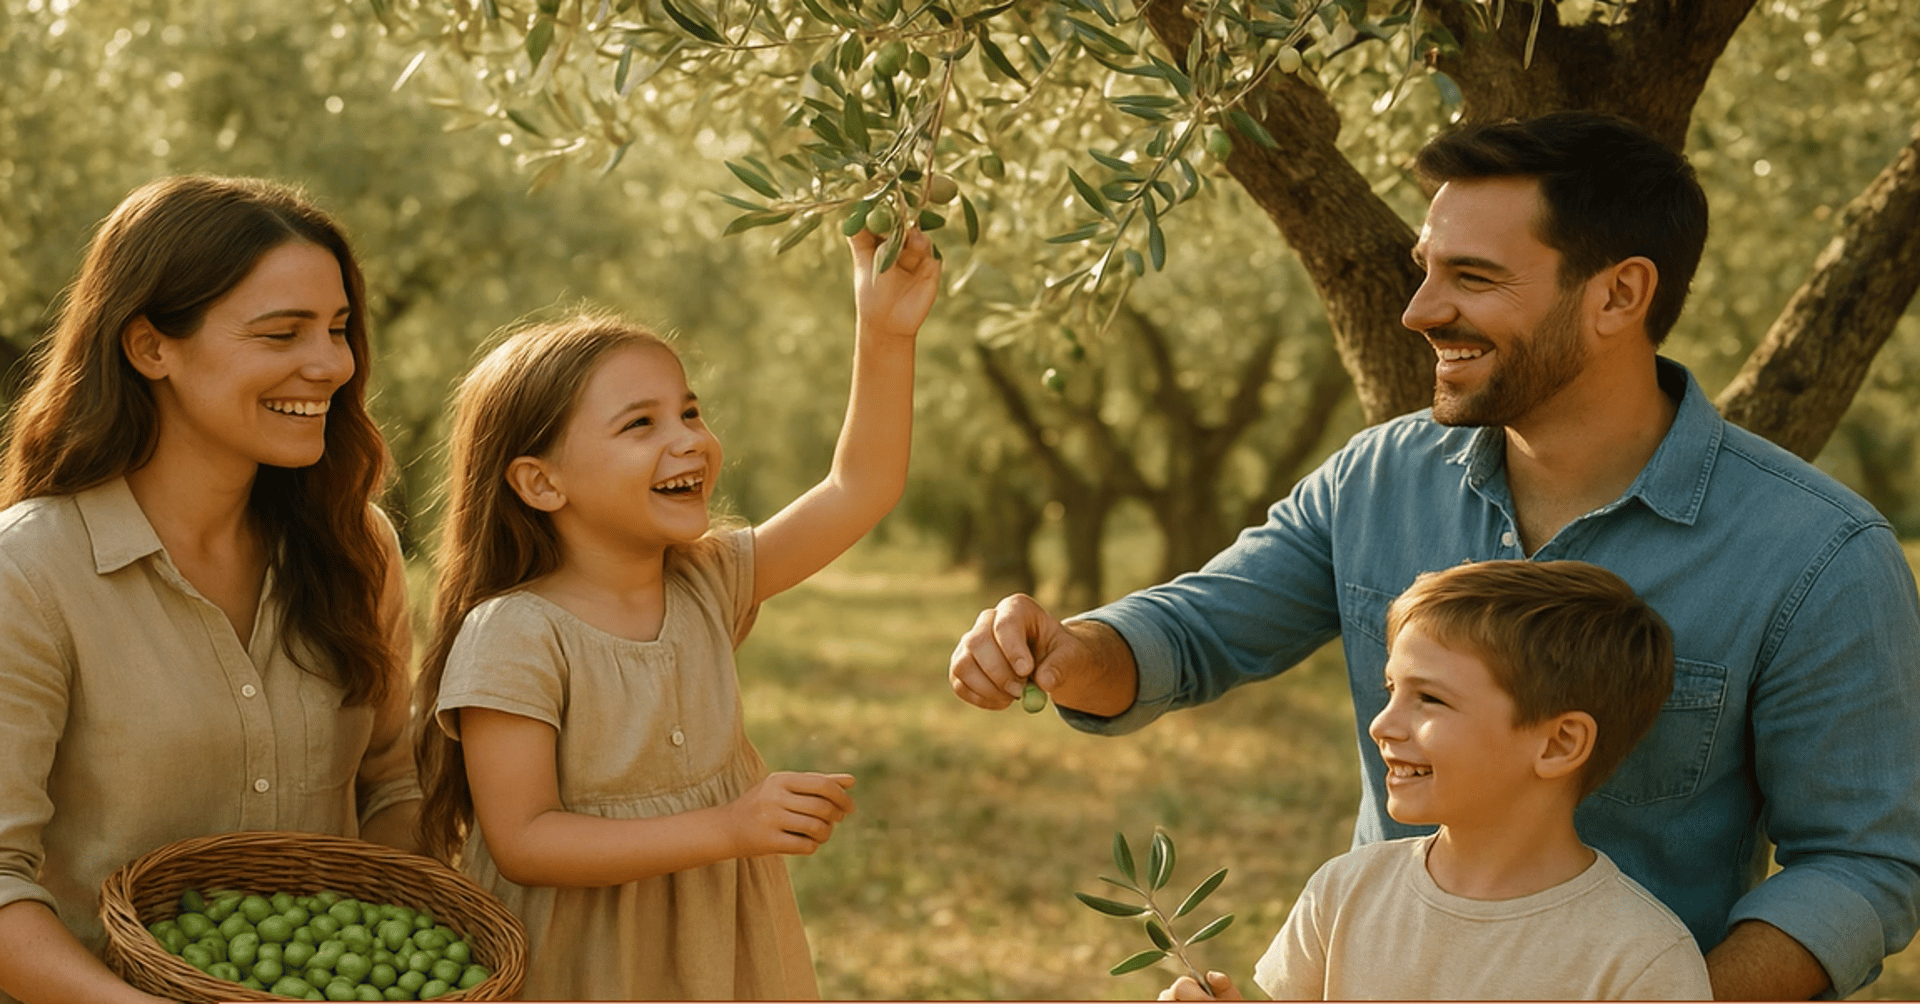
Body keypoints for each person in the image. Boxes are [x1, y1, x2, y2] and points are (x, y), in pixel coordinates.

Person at [949, 110, 1920, 999]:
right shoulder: (1377, 477)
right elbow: (1202, 627)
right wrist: (1074, 649)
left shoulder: (1817, 553)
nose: (1418, 310)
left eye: (1474, 277)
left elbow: (1862, 862)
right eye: (1427, 266)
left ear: (1620, 292)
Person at [411, 226, 940, 1000]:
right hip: (586, 968)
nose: (689, 441)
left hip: (720, 957)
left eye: (689, 413)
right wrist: (730, 828)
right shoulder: (517, 634)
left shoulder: (706, 581)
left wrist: (886, 332)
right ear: (540, 482)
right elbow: (525, 841)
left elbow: (860, 488)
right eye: (641, 425)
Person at [0, 175, 419, 1004]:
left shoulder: (357, 546)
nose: (331, 363)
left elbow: (393, 787)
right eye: (281, 333)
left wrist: (374, 954)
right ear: (150, 347)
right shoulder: (30, 574)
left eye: (337, 329)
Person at [1162, 560, 1711, 1000]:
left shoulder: (1640, 961)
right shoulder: (1344, 892)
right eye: (1390, 690)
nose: (1382, 724)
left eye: (1429, 698)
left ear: (1559, 743)